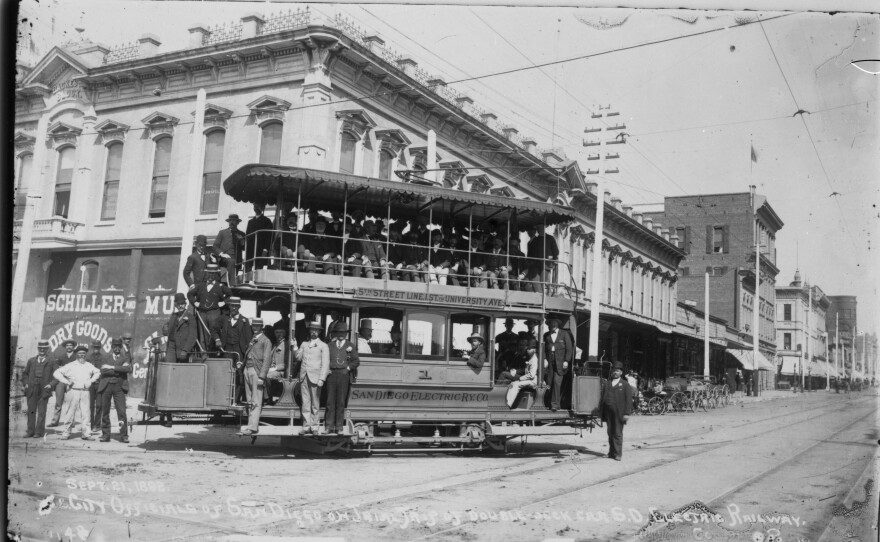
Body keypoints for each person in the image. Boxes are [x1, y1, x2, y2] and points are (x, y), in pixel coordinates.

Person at [53, 345, 100, 440]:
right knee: (70, 413)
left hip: (85, 392)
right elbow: (56, 373)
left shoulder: (88, 365)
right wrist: (67, 382)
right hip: (73, 391)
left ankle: (86, 434)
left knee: (86, 413)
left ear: (85, 355)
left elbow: (98, 372)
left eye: (83, 353)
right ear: (76, 354)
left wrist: (90, 381)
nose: (82, 355)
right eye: (79, 353)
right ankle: (66, 432)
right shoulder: (70, 365)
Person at [237, 318, 274, 436]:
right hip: (247, 370)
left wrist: (262, 377)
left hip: (256, 372)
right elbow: (249, 354)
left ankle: (253, 427)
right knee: (249, 400)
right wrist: (242, 364)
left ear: (261, 327)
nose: (255, 328)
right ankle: (250, 425)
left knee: (256, 400)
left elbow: (267, 360)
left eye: (258, 326)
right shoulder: (252, 339)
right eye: (254, 326)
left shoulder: (266, 341)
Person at [295, 321, 329, 435]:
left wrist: (322, 379)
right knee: (305, 402)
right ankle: (306, 426)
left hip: (315, 378)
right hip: (304, 377)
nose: (314, 332)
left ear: (319, 332)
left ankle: (314, 427)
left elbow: (325, 364)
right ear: (309, 331)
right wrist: (294, 347)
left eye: (316, 330)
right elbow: (298, 358)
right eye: (312, 329)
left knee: (315, 403)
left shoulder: (323, 346)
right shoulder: (304, 344)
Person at [326, 323, 360, 434]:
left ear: (346, 334)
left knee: (340, 402)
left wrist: (348, 368)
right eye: (339, 333)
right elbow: (325, 359)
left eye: (343, 333)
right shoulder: (330, 345)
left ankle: (339, 427)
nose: (341, 335)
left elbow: (356, 361)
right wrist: (327, 369)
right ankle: (329, 426)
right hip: (331, 375)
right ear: (335, 333)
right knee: (330, 401)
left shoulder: (351, 345)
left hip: (343, 375)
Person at [21, 339, 59, 438]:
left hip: (44, 389)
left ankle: (39, 432)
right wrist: (26, 383)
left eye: (44, 348)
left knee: (42, 411)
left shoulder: (52, 361)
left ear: (47, 349)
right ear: (38, 349)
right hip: (32, 389)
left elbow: (57, 376)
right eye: (40, 348)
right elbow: (25, 374)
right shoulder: (31, 361)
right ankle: (30, 431)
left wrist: (51, 384)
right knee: (31, 411)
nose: (42, 350)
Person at [96, 338, 131, 443]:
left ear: (121, 347)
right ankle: (106, 435)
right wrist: (119, 369)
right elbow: (103, 371)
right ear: (111, 347)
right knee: (105, 412)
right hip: (106, 386)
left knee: (122, 412)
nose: (116, 348)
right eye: (114, 346)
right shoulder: (105, 357)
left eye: (118, 346)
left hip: (119, 387)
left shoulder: (125, 358)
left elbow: (128, 369)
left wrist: (112, 367)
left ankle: (124, 435)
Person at [188, 264, 230, 341]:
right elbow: (190, 294)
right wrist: (194, 303)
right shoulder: (200, 285)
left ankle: (214, 352)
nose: (211, 275)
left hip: (214, 313)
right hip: (202, 313)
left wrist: (224, 302)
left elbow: (230, 295)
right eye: (209, 273)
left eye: (213, 273)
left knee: (214, 334)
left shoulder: (220, 286)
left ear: (216, 274)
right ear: (206, 273)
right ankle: (204, 353)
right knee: (202, 335)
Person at [602, 361, 633, 461]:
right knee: (610, 432)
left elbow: (629, 401)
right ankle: (611, 453)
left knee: (617, 433)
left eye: (618, 371)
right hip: (608, 412)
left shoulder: (625, 385)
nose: (615, 372)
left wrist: (627, 413)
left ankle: (618, 454)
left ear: (621, 373)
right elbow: (602, 398)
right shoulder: (607, 383)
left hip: (619, 413)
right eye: (614, 370)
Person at [544, 316, 574, 411]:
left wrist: (566, 361)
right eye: (551, 324)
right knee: (549, 382)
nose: (552, 325)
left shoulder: (564, 334)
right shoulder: (546, 335)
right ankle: (547, 403)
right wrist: (544, 359)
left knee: (557, 382)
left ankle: (555, 405)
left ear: (557, 324)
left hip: (560, 363)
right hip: (550, 362)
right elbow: (543, 349)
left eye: (554, 323)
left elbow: (569, 348)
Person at [48, 338, 77, 427]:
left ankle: (71, 421)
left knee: (71, 402)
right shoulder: (60, 357)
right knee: (58, 401)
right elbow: (57, 369)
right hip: (61, 381)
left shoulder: (76, 357)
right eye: (67, 345)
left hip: (72, 381)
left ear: (73, 347)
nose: (69, 347)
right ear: (65, 347)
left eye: (70, 345)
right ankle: (55, 421)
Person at [526, 224, 559, 293]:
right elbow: (531, 253)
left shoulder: (550, 238)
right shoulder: (535, 240)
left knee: (542, 281)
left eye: (541, 227)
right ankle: (541, 298)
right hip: (536, 264)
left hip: (546, 264)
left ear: (544, 228)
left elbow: (556, 251)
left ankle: (541, 299)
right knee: (535, 280)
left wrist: (552, 258)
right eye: (538, 227)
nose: (539, 229)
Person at [506, 339, 539, 408]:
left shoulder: (534, 359)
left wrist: (520, 378)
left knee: (515, 384)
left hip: (533, 381)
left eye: (530, 348)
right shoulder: (531, 358)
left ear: (534, 350)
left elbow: (531, 375)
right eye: (527, 348)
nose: (527, 350)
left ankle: (508, 404)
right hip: (530, 379)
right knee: (513, 383)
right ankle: (509, 403)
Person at [213, 213, 245, 285]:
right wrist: (222, 254)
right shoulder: (222, 233)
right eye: (230, 221)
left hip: (237, 260)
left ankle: (230, 289)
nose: (231, 222)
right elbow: (215, 246)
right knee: (223, 280)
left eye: (234, 221)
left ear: (237, 222)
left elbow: (245, 247)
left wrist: (242, 241)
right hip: (223, 260)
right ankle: (231, 287)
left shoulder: (242, 234)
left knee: (229, 278)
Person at [165, 293, 196, 363]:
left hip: (183, 348)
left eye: (182, 304)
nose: (180, 306)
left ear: (185, 304)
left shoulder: (190, 317)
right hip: (171, 346)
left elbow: (192, 336)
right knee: (169, 366)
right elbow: (167, 327)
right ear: (175, 305)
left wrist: (185, 350)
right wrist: (165, 328)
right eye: (178, 304)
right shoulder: (173, 316)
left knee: (181, 370)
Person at [245, 203, 274, 272]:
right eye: (255, 206)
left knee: (259, 267)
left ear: (262, 208)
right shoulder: (250, 222)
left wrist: (266, 249)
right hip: (251, 248)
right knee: (248, 267)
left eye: (258, 206)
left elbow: (269, 236)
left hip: (261, 248)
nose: (256, 208)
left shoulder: (267, 221)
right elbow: (247, 235)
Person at [86, 340, 107, 434]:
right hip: (90, 384)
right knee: (90, 405)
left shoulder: (103, 358)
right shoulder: (88, 358)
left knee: (99, 405)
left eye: (98, 347)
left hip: (99, 384)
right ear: (92, 348)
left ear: (100, 348)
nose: (96, 349)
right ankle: (90, 424)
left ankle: (97, 425)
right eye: (94, 347)